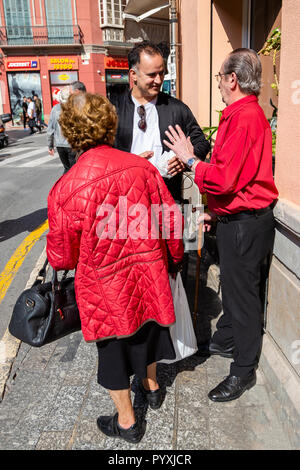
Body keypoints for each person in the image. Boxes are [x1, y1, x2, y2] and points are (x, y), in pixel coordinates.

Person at [46, 92, 184, 443]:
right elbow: (171, 221)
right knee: (148, 328)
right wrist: (176, 257)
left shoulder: (65, 189)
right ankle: (152, 389)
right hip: (147, 270)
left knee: (112, 350)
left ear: (72, 134)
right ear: (109, 124)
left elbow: (61, 258)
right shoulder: (142, 168)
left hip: (103, 284)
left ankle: (127, 422)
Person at [163, 48, 279, 402]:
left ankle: (243, 372)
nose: (217, 84)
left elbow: (225, 178)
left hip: (245, 226)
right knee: (237, 291)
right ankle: (226, 341)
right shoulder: (242, 115)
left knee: (243, 299)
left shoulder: (244, 117)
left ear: (232, 79)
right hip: (239, 220)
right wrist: (218, 212)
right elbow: (242, 178)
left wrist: (191, 160)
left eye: (219, 77)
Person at [111, 41, 210, 202]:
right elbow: (98, 154)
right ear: (133, 75)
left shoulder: (177, 108)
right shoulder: (113, 110)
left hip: (167, 199)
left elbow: (201, 142)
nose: (158, 80)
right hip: (125, 198)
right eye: (151, 75)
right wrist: (131, 165)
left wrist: (185, 160)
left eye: (161, 73)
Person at [47, 87, 77, 173]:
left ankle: (65, 185)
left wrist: (50, 146)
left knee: (67, 168)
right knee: (74, 169)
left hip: (60, 145)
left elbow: (50, 129)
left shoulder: (55, 109)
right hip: (72, 144)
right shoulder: (75, 108)